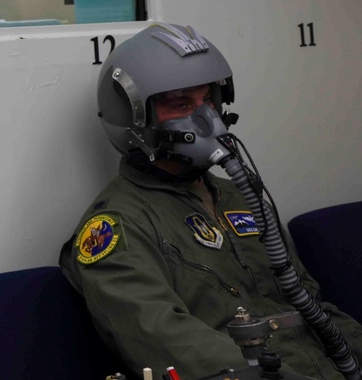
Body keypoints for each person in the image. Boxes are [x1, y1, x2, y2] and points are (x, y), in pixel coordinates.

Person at [60, 22, 362, 380]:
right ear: (134, 119)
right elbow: (168, 343)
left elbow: (310, 305)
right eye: (181, 104)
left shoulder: (240, 194)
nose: (206, 119)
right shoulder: (118, 226)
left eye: (208, 101)